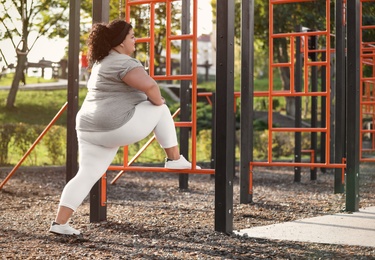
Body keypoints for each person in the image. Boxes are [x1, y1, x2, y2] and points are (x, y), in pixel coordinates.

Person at [49, 19, 200, 236]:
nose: (135, 40)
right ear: (120, 43)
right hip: (114, 125)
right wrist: (159, 103)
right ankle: (174, 158)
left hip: (88, 128)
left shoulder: (101, 62)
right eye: (131, 37)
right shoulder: (123, 62)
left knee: (86, 174)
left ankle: (60, 223)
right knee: (161, 109)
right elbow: (150, 86)